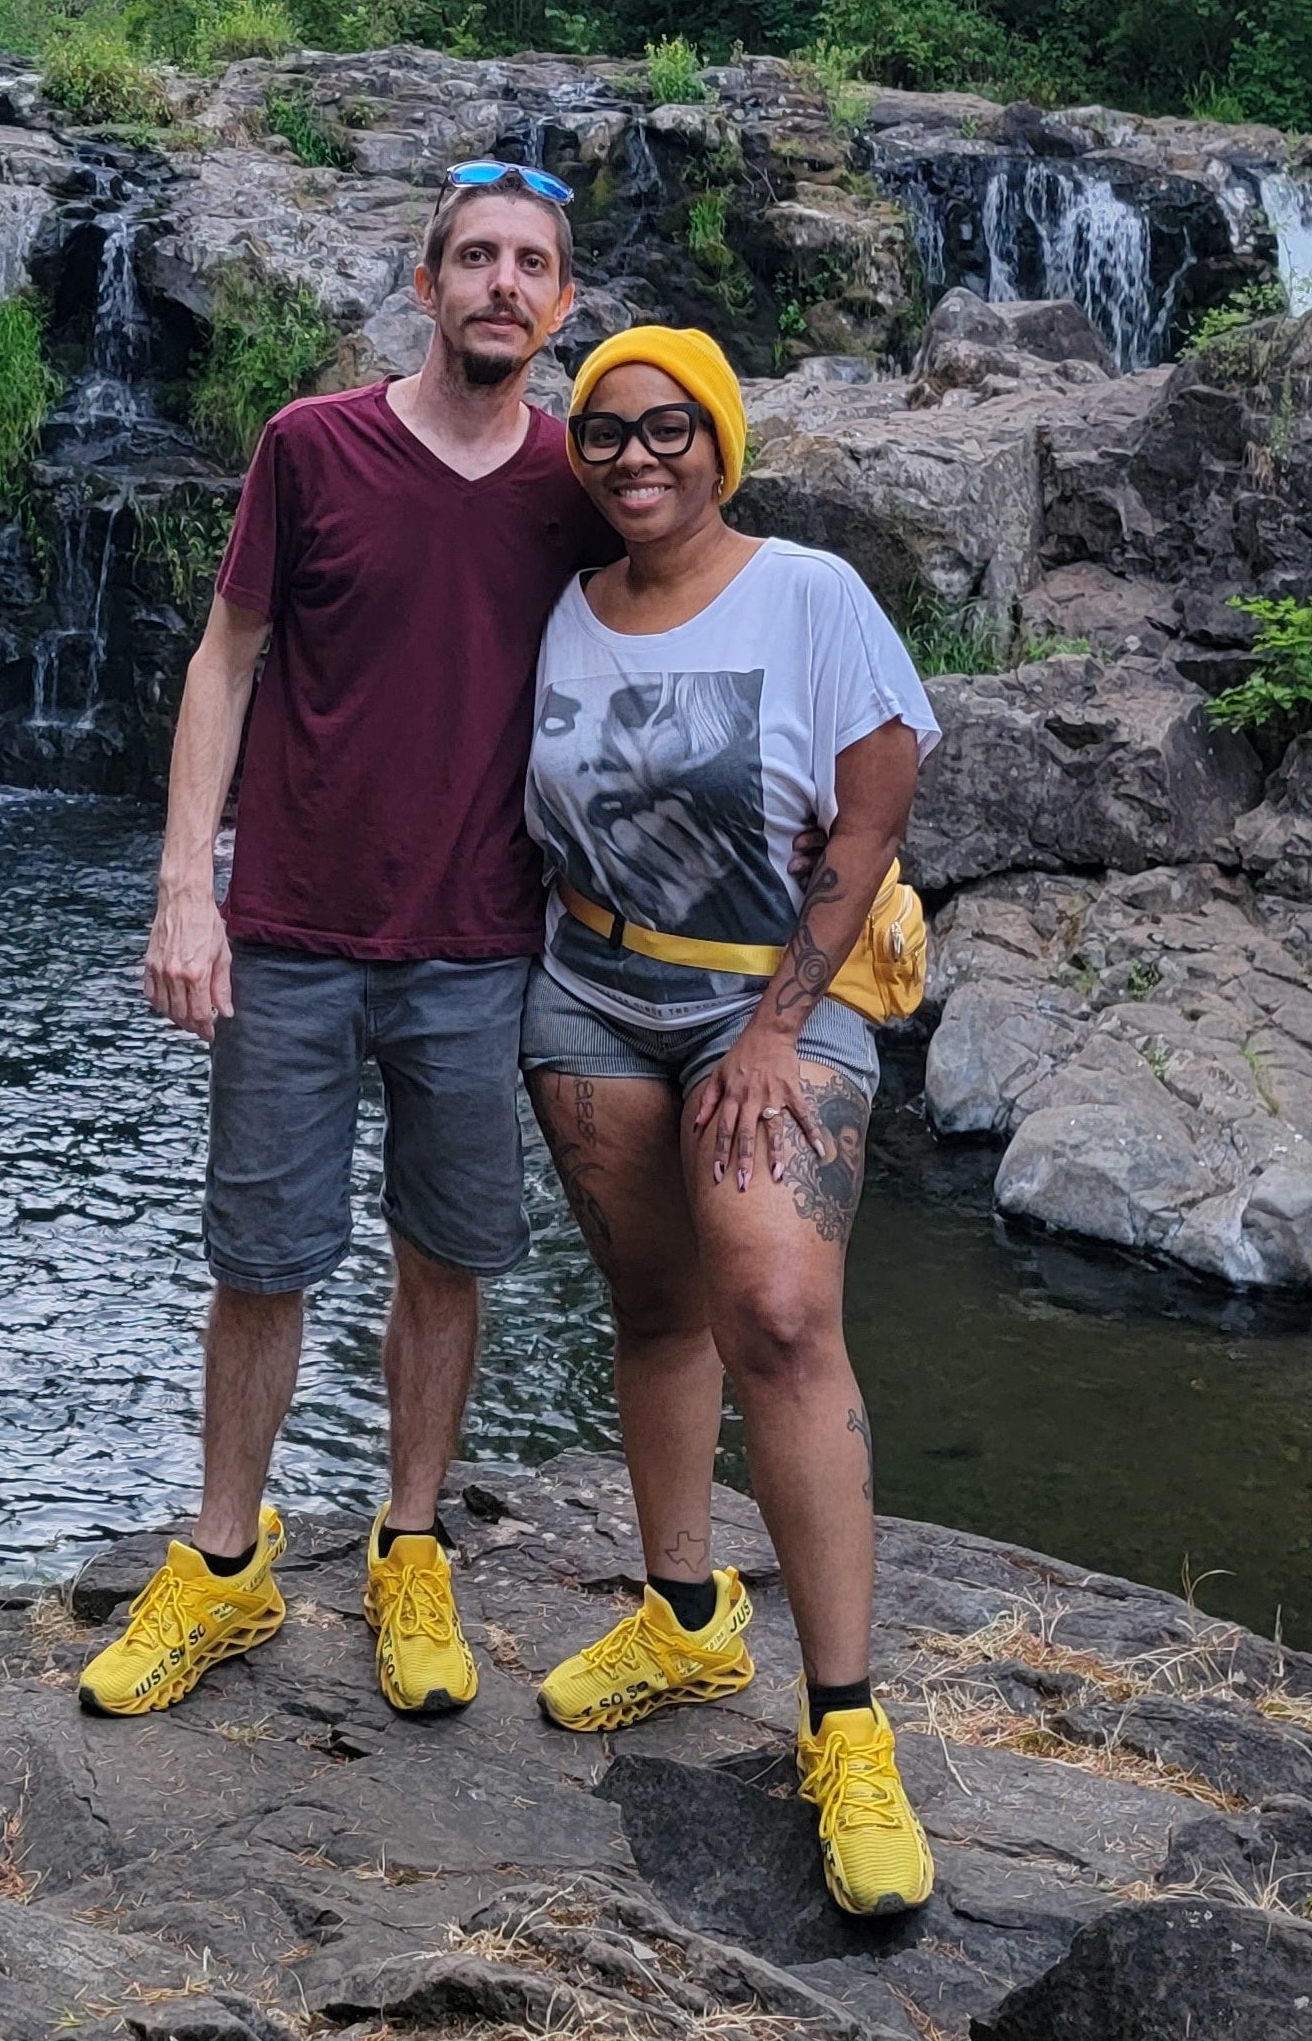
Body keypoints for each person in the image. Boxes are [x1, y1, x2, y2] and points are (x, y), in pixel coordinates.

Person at [77, 162, 614, 1723]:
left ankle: (410, 1547)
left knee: (446, 1257)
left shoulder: (578, 484)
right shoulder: (311, 446)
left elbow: (688, 627)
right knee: (260, 1263)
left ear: (561, 303)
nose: (502, 283)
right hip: (292, 933)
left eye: (530, 264)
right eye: (475, 257)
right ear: (426, 284)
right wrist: (187, 888)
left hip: (482, 944)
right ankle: (225, 1563)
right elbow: (224, 659)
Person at [519, 326, 941, 1918]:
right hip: (590, 994)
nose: (635, 454)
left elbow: (873, 813)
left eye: (668, 426)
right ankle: (687, 1616)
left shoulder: (808, 593)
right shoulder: (563, 610)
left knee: (775, 1311)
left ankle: (847, 1723)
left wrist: (772, 1025)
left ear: (721, 442)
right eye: (605, 430)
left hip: (776, 996)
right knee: (654, 1307)